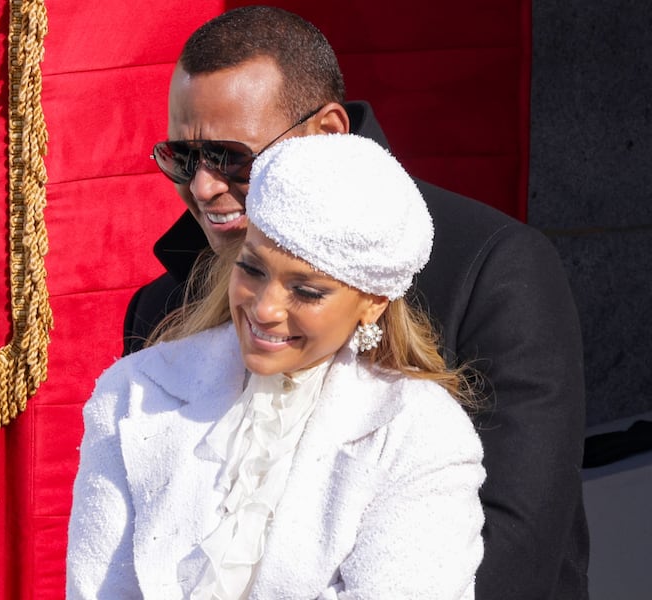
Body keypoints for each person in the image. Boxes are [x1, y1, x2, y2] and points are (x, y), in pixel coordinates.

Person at [123, 6, 589, 599]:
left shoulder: (494, 268)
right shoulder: (163, 306)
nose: (203, 187)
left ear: (328, 131)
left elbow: (513, 547)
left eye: (232, 158)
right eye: (182, 159)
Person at [67, 133, 486, 599]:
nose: (265, 308)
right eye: (252, 269)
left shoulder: (419, 432)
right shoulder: (132, 393)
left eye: (306, 291)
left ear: (373, 303)